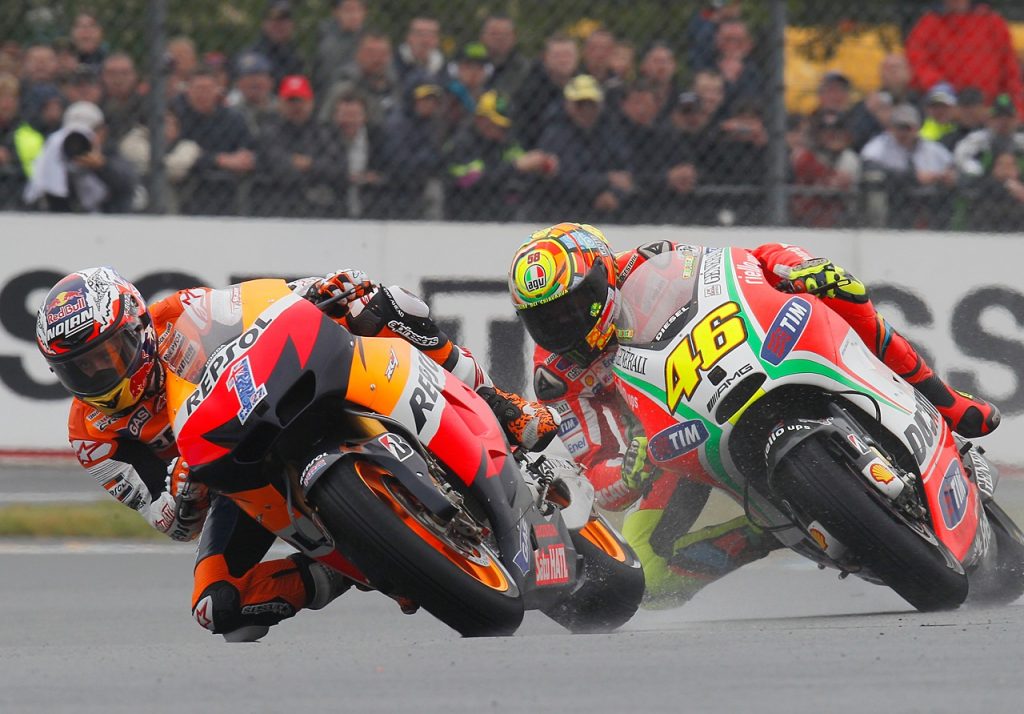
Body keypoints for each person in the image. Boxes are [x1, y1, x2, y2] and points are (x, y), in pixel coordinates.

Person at [36, 267, 558, 642]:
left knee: (383, 303)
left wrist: (318, 291)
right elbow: (170, 523)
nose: (101, 376)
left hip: (287, 390)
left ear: (138, 330)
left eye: (109, 355)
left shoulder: (183, 314)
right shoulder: (93, 435)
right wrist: (181, 488)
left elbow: (267, 300)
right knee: (217, 609)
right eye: (81, 370)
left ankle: (498, 405)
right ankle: (345, 569)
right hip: (238, 480)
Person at [504, 222, 1000, 607]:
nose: (564, 324)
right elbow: (599, 470)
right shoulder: (556, 375)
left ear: (603, 275)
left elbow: (745, 265)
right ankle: (767, 530)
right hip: (671, 438)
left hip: (730, 366)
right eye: (547, 318)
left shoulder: (649, 263)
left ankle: (945, 402)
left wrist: (796, 266)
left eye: (574, 306)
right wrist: (630, 464)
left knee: (841, 291)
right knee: (648, 580)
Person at [905, 0, 1023, 116]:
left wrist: (1015, 105)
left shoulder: (992, 21)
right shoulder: (929, 24)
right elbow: (918, 60)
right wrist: (938, 85)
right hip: (946, 108)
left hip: (989, 109)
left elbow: (1009, 67)